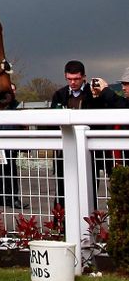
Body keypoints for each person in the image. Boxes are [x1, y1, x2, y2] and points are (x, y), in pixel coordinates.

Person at [49, 60, 93, 207]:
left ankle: (88, 222)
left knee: (88, 187)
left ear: (84, 77)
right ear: (65, 77)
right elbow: (52, 121)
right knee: (62, 188)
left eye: (76, 79)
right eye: (70, 79)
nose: (73, 82)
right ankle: (61, 223)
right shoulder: (59, 94)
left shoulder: (92, 95)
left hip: (88, 150)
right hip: (64, 150)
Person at [0, 84, 29, 210]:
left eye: (13, 90)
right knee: (5, 172)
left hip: (12, 145)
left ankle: (4, 198)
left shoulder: (15, 107)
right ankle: (10, 198)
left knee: (8, 171)